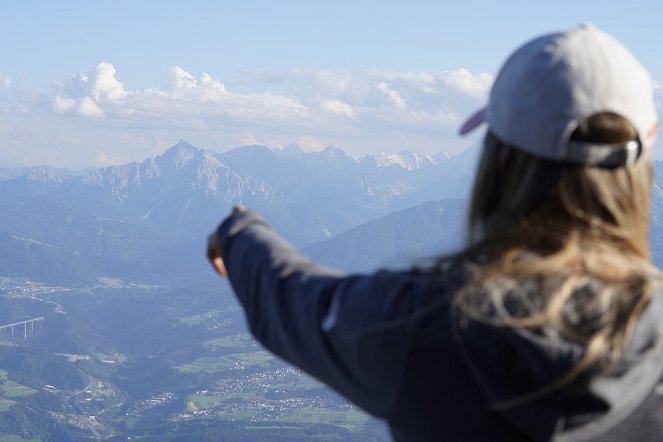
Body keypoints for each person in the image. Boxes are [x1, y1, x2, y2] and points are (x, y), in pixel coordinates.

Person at [207, 24, 662, 441]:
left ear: (500, 162)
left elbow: (293, 301)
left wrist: (239, 232)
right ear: (640, 167)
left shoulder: (424, 320)